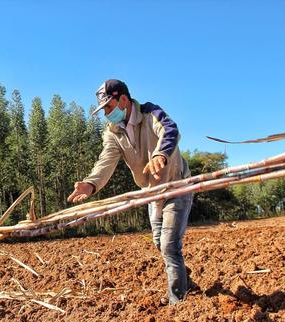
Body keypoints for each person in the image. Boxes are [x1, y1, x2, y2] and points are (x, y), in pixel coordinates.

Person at [67, 79, 193, 305]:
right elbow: (106, 161)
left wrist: (160, 155)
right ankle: (185, 280)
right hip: (151, 192)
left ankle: (179, 302)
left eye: (108, 107)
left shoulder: (150, 113)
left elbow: (170, 130)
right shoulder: (113, 132)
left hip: (176, 185)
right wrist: (91, 183)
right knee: (158, 242)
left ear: (123, 100)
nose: (106, 113)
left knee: (169, 245)